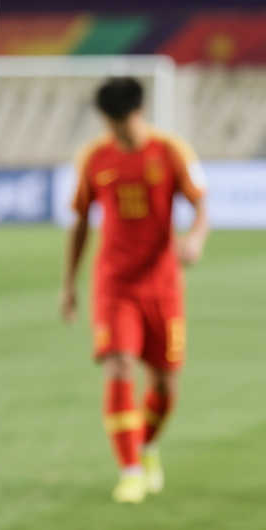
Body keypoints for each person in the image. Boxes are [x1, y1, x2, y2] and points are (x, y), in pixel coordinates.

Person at [62, 77, 209, 503]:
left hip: (163, 286)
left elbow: (200, 203)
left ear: (138, 112)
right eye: (111, 122)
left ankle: (146, 448)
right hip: (114, 284)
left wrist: (195, 238)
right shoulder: (94, 158)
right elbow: (79, 222)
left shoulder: (170, 151)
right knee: (120, 365)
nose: (118, 129)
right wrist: (69, 284)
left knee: (164, 385)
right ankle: (129, 471)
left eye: (122, 120)